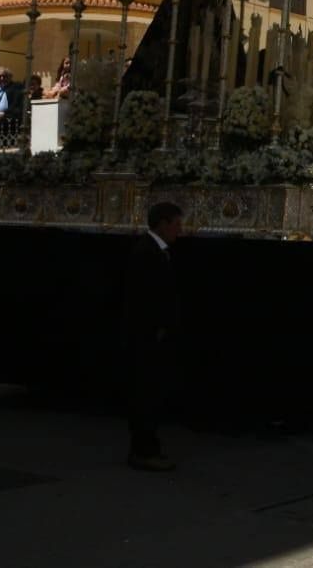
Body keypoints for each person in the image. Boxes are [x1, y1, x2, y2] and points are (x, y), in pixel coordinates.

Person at [122, 201, 183, 471]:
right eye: (176, 224)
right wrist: (155, 327)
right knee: (144, 394)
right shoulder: (146, 253)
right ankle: (143, 449)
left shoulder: (157, 251)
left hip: (150, 335)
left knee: (150, 393)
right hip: (145, 336)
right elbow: (144, 297)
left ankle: (148, 446)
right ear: (163, 223)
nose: (179, 231)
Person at [0, 68, 25, 144]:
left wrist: (5, 113)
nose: (2, 78)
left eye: (5, 76)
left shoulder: (16, 88)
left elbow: (18, 106)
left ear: (10, 77)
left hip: (7, 126)